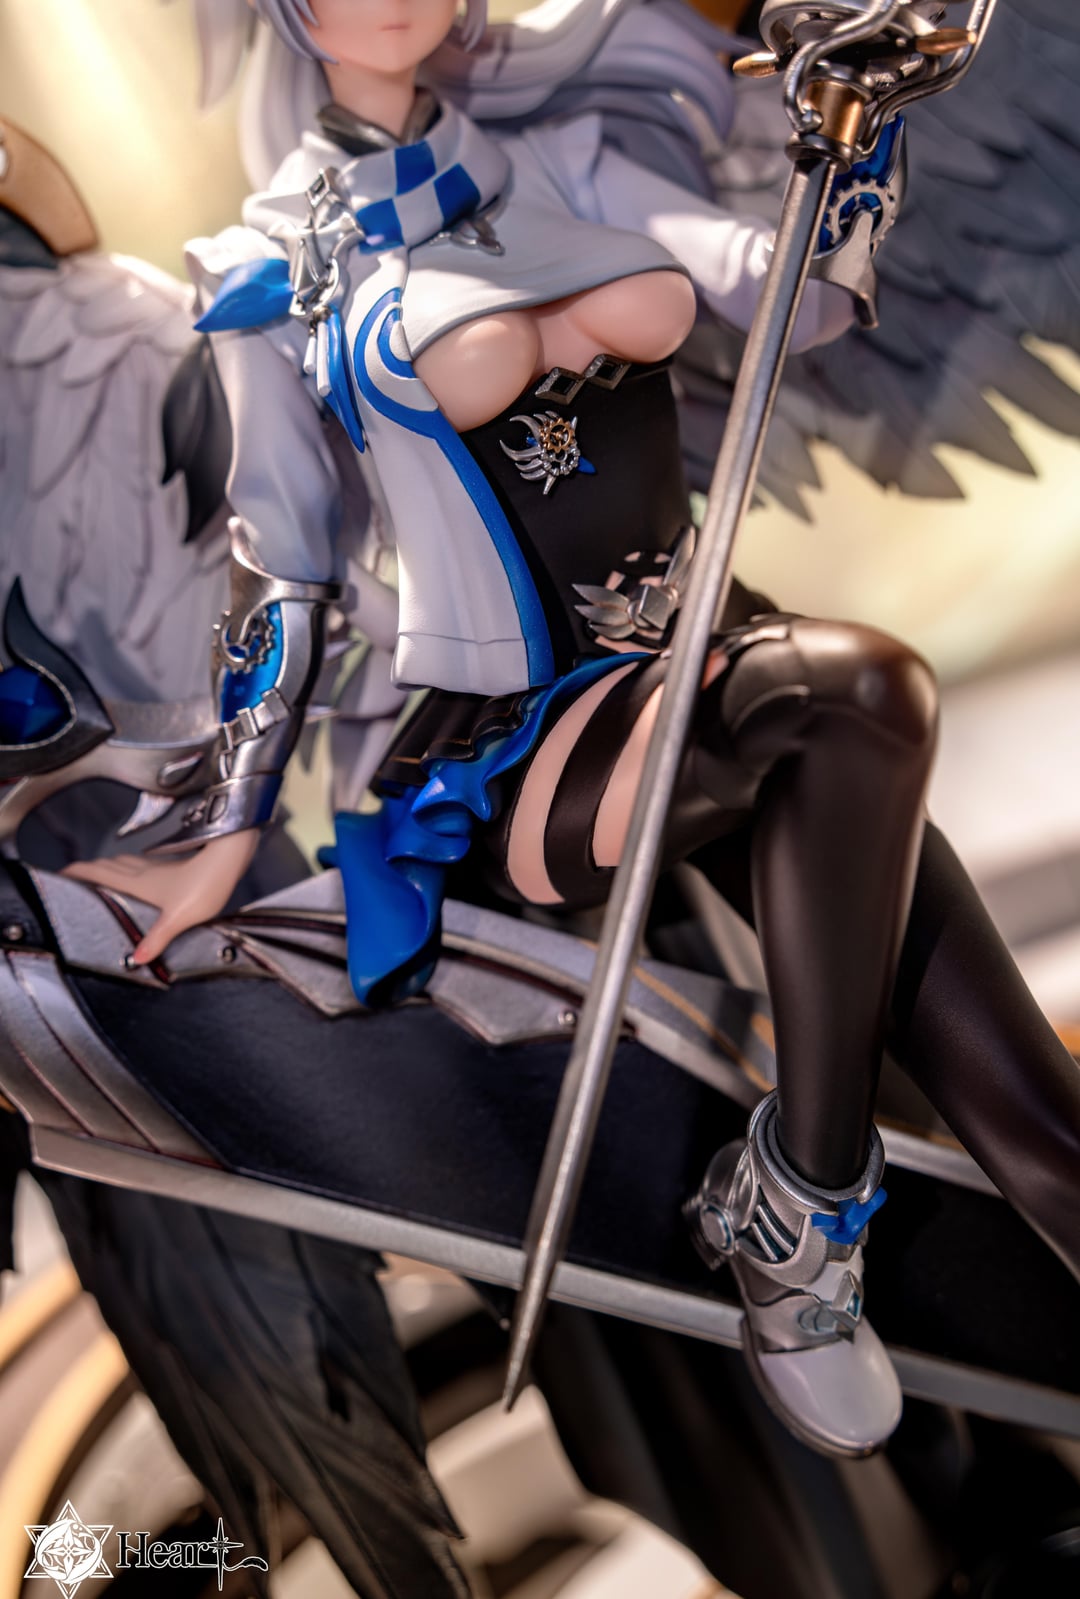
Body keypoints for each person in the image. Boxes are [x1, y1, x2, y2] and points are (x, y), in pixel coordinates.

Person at [66, 0, 1080, 1459]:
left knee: (1044, 1131)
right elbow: (283, 570)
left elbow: (790, 296)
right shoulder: (267, 272)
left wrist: (856, 137)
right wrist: (221, 835)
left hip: (728, 666)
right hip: (532, 742)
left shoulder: (564, 152)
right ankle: (805, 1205)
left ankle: (796, 1201)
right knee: (867, 689)